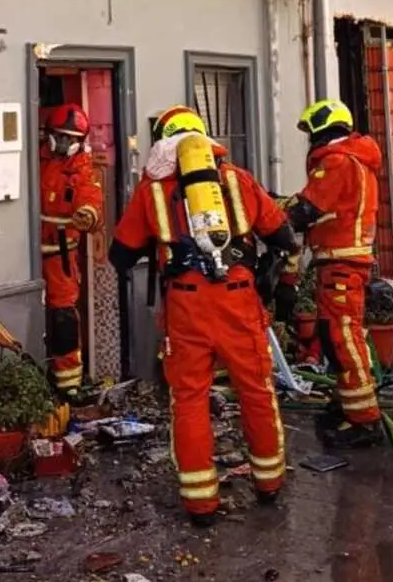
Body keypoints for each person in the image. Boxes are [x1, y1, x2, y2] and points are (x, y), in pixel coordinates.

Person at [108, 105, 297, 527]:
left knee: (190, 399)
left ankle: (200, 502)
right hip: (238, 300)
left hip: (186, 305)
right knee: (256, 390)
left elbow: (119, 254)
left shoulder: (152, 190)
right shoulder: (237, 179)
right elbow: (282, 234)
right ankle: (269, 482)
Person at [282, 99, 383, 449]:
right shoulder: (353, 160)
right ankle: (347, 404)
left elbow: (307, 209)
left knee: (343, 339)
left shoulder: (337, 162)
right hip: (339, 263)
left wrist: (271, 211)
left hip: (341, 264)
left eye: (312, 134)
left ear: (323, 132)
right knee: (334, 337)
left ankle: (364, 420)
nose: (310, 142)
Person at [39, 103, 104, 398]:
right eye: (60, 136)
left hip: (60, 255)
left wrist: (87, 214)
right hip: (25, 254)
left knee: (63, 317)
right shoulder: (35, 159)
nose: (64, 144)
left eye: (70, 138)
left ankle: (68, 384)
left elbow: (91, 198)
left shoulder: (81, 169)